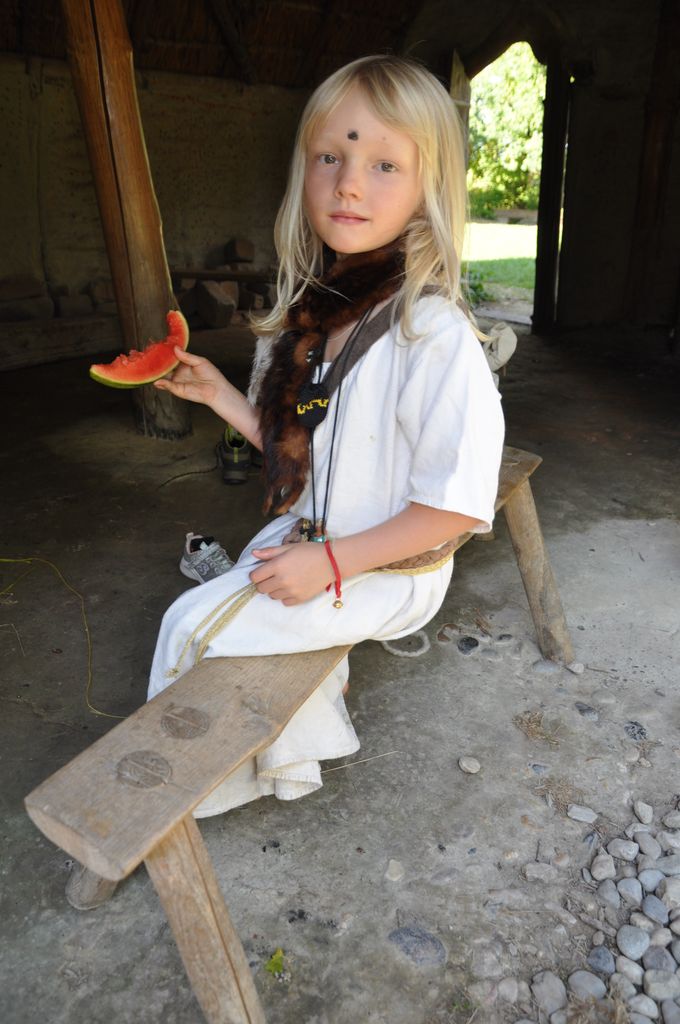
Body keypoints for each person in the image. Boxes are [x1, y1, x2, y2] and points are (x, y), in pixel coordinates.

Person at [149, 54, 505, 816]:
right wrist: (220, 396)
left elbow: (456, 510)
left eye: (384, 164)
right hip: (316, 533)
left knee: (190, 626)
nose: (348, 183)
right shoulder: (309, 319)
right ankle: (290, 756)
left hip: (391, 566)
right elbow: (302, 450)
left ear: (429, 188)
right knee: (243, 596)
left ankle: (173, 799)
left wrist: (332, 564)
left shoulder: (433, 335)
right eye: (330, 157)